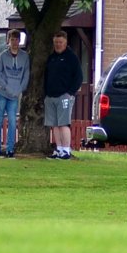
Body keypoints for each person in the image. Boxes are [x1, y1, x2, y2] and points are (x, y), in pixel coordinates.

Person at [43, 30, 82, 159]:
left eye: (60, 42)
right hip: (50, 96)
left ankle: (66, 150)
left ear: (65, 42)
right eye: (56, 42)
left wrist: (70, 93)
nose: (58, 45)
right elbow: (46, 76)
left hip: (64, 96)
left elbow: (79, 77)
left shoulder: (72, 58)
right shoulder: (51, 58)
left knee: (63, 124)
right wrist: (46, 94)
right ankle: (59, 149)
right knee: (54, 124)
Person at [0, 30, 29, 157]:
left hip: (14, 95)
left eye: (16, 39)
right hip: (1, 93)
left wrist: (20, 89)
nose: (14, 42)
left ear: (19, 41)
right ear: (8, 40)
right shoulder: (2, 56)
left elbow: (26, 75)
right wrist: (6, 86)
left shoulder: (24, 57)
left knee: (12, 121)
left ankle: (10, 149)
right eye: (12, 39)